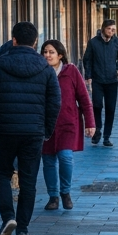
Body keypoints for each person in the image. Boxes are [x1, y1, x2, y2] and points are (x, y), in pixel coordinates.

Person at [0, 22, 60, 235]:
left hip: (4, 130)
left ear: (13, 40)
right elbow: (55, 101)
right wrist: (46, 130)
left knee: (1, 174)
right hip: (33, 132)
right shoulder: (45, 68)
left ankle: (8, 217)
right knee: (28, 180)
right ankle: (23, 229)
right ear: (35, 42)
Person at [41, 40, 93, 211]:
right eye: (45, 52)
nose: (47, 55)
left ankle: (65, 192)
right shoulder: (40, 72)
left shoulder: (71, 71)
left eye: (51, 52)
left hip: (68, 123)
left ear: (60, 55)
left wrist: (90, 123)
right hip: (45, 125)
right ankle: (53, 196)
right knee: (48, 161)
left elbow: (84, 99)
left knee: (65, 157)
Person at [81, 19, 118, 148]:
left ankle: (107, 136)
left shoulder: (117, 42)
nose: (111, 32)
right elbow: (87, 60)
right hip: (97, 80)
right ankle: (97, 131)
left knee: (110, 108)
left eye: (113, 30)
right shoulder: (93, 42)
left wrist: (117, 69)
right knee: (97, 106)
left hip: (112, 81)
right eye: (109, 29)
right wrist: (88, 76)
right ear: (103, 29)